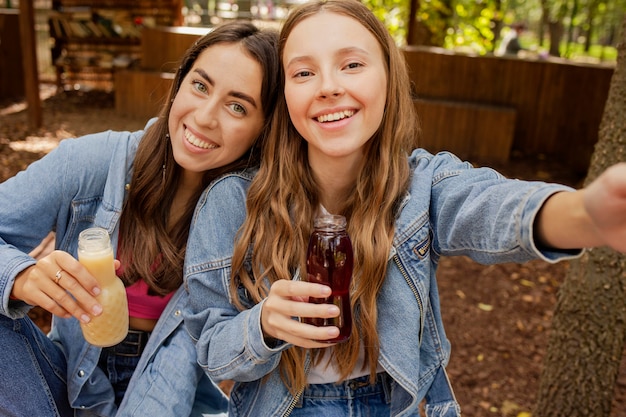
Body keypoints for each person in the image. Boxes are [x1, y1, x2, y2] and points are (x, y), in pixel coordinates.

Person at [183, 0, 626, 415]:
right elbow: (212, 352)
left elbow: (491, 205)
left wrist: (588, 214)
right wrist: (263, 325)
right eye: (303, 74)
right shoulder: (232, 202)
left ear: (388, 78)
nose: (329, 87)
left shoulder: (423, 186)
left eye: (352, 64)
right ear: (286, 99)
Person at [0, 20, 279, 417]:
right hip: (67, 380)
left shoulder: (253, 216)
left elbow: (232, 359)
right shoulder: (93, 164)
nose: (204, 117)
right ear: (179, 84)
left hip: (173, 391)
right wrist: (20, 277)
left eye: (237, 106)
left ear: (263, 129)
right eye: (200, 86)